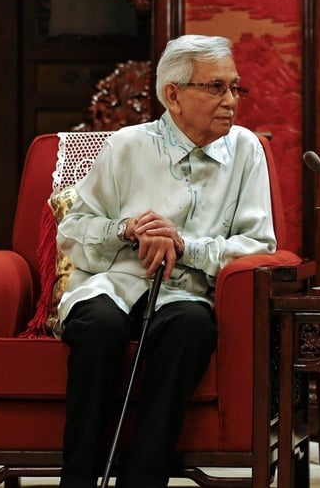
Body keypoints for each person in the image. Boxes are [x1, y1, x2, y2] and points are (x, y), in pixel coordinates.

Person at [55, 35, 277, 488]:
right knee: (98, 327)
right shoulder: (127, 146)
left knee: (190, 329)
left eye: (235, 87)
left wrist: (185, 245)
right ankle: (78, 479)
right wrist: (126, 228)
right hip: (114, 283)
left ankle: (143, 479)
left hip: (186, 293)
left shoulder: (245, 150)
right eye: (215, 87)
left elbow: (258, 245)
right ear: (173, 95)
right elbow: (72, 230)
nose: (231, 100)